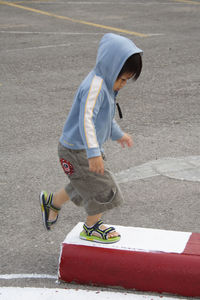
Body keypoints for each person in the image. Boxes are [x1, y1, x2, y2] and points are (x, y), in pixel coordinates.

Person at [40, 33, 143, 244]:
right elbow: (86, 120)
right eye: (122, 79)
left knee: (82, 183)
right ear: (111, 67)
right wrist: (93, 153)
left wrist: (118, 134)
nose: (123, 84)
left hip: (79, 149)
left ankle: (52, 203)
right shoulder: (95, 87)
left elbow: (104, 119)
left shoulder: (105, 85)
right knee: (104, 188)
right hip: (78, 150)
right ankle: (91, 227)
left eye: (127, 80)